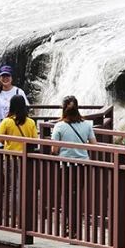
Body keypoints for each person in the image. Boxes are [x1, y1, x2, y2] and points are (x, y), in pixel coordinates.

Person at [51, 96, 97, 239]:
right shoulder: (87, 124)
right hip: (82, 165)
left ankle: (67, 227)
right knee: (77, 196)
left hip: (65, 166)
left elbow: (54, 149)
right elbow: (93, 144)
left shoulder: (59, 126)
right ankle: (75, 228)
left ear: (63, 109)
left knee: (66, 196)